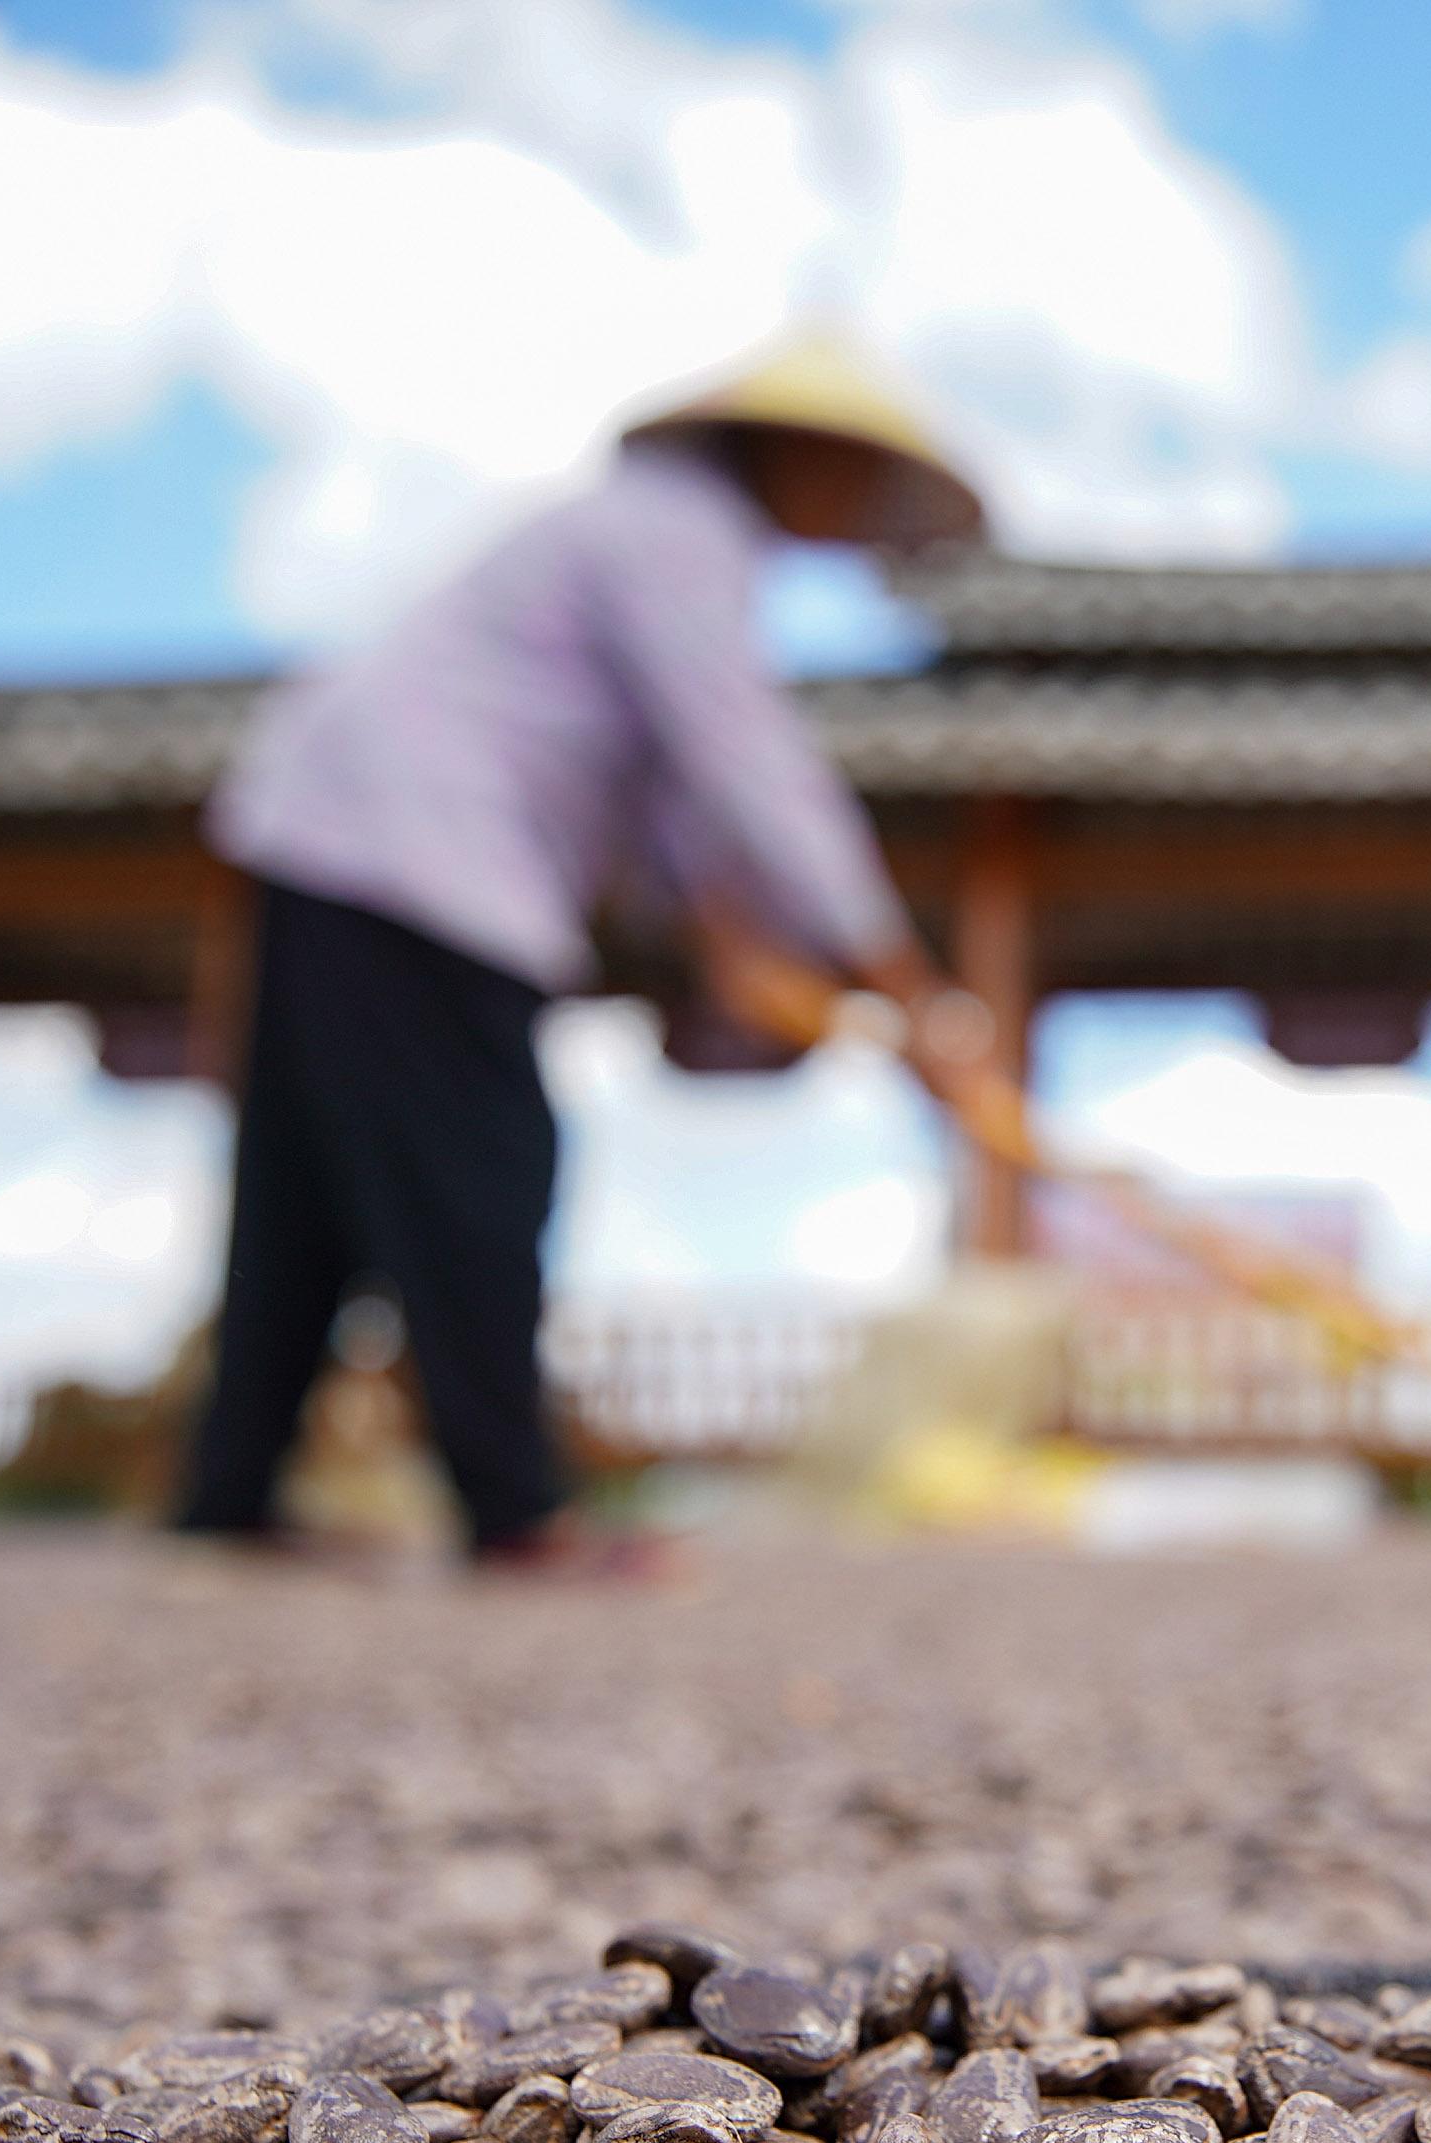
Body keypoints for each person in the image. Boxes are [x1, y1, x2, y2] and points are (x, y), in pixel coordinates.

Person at [180, 339, 988, 1567]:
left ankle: (226, 1496)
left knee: (308, 1190)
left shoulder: (638, 535)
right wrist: (904, 979)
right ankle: (511, 1509)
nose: (859, 515)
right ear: (799, 452)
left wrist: (724, 941)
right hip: (422, 849)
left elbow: (666, 807)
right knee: (482, 1163)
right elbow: (744, 762)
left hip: (320, 828)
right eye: (855, 480)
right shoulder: (680, 538)